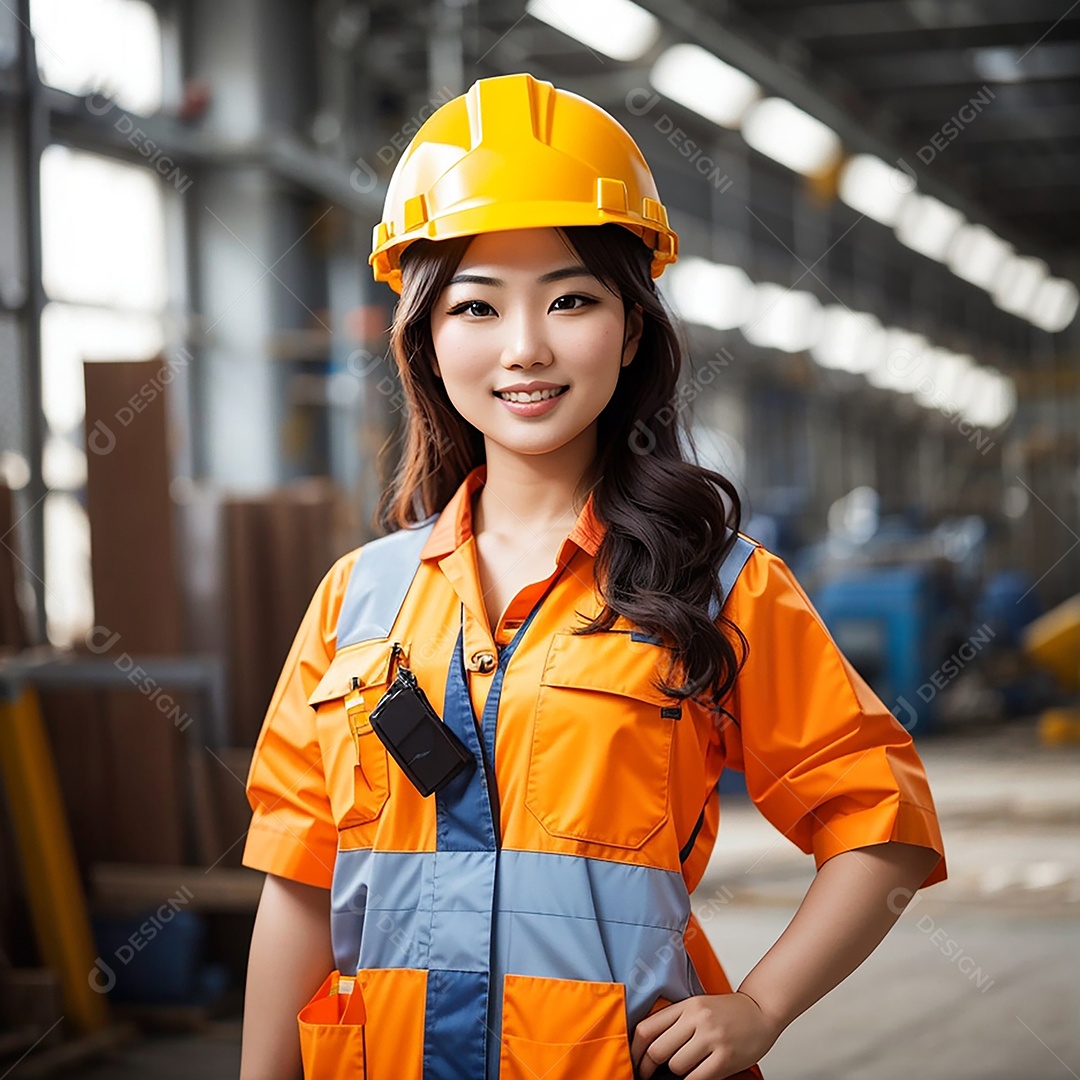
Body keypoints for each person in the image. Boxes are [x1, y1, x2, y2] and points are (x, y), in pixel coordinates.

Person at [239, 72, 947, 1080]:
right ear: (428, 341)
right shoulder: (357, 600)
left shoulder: (714, 589)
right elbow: (300, 884)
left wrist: (760, 1008)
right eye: (477, 307)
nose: (526, 348)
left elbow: (887, 824)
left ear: (631, 328)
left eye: (571, 299)